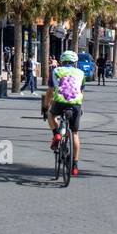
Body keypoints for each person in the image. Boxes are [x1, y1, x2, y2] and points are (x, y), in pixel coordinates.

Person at [46, 49, 85, 178]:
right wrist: (80, 107)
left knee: (51, 115)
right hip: (75, 104)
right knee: (74, 133)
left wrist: (46, 106)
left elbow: (50, 91)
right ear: (75, 62)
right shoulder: (80, 73)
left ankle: (56, 134)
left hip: (59, 101)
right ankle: (74, 165)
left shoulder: (56, 71)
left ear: (62, 62)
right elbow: (80, 91)